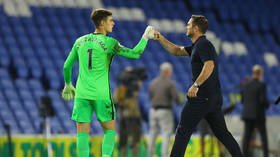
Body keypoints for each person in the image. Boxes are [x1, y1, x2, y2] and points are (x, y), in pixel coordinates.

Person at [61, 8, 155, 157]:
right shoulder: (110, 43)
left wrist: (67, 84)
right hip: (101, 94)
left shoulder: (79, 41)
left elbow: (67, 66)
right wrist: (145, 37)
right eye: (111, 20)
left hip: (81, 94)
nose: (114, 23)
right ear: (102, 22)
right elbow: (135, 53)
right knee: (109, 131)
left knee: (82, 134)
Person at [154, 15, 243, 157]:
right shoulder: (198, 45)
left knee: (182, 132)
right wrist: (160, 38)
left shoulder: (204, 45)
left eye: (188, 24)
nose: (186, 26)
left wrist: (196, 85)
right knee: (223, 134)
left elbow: (209, 65)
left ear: (195, 28)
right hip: (213, 99)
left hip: (201, 98)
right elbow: (176, 50)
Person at [148, 62, 182, 157]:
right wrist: (179, 102)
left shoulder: (153, 82)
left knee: (152, 134)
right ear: (167, 72)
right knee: (166, 134)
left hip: (153, 110)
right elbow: (176, 97)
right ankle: (165, 155)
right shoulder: (170, 83)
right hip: (165, 111)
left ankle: (150, 155)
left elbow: (150, 95)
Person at [113, 67, 143, 157]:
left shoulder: (135, 87)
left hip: (134, 116)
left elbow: (139, 85)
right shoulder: (120, 89)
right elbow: (116, 101)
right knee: (123, 141)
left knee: (135, 140)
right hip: (124, 117)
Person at [241, 65, 269, 157]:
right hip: (258, 116)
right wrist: (267, 104)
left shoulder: (245, 85)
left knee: (247, 138)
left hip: (247, 115)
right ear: (260, 74)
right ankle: (265, 155)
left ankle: (243, 155)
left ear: (253, 73)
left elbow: (242, 100)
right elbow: (262, 100)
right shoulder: (262, 85)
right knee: (263, 138)